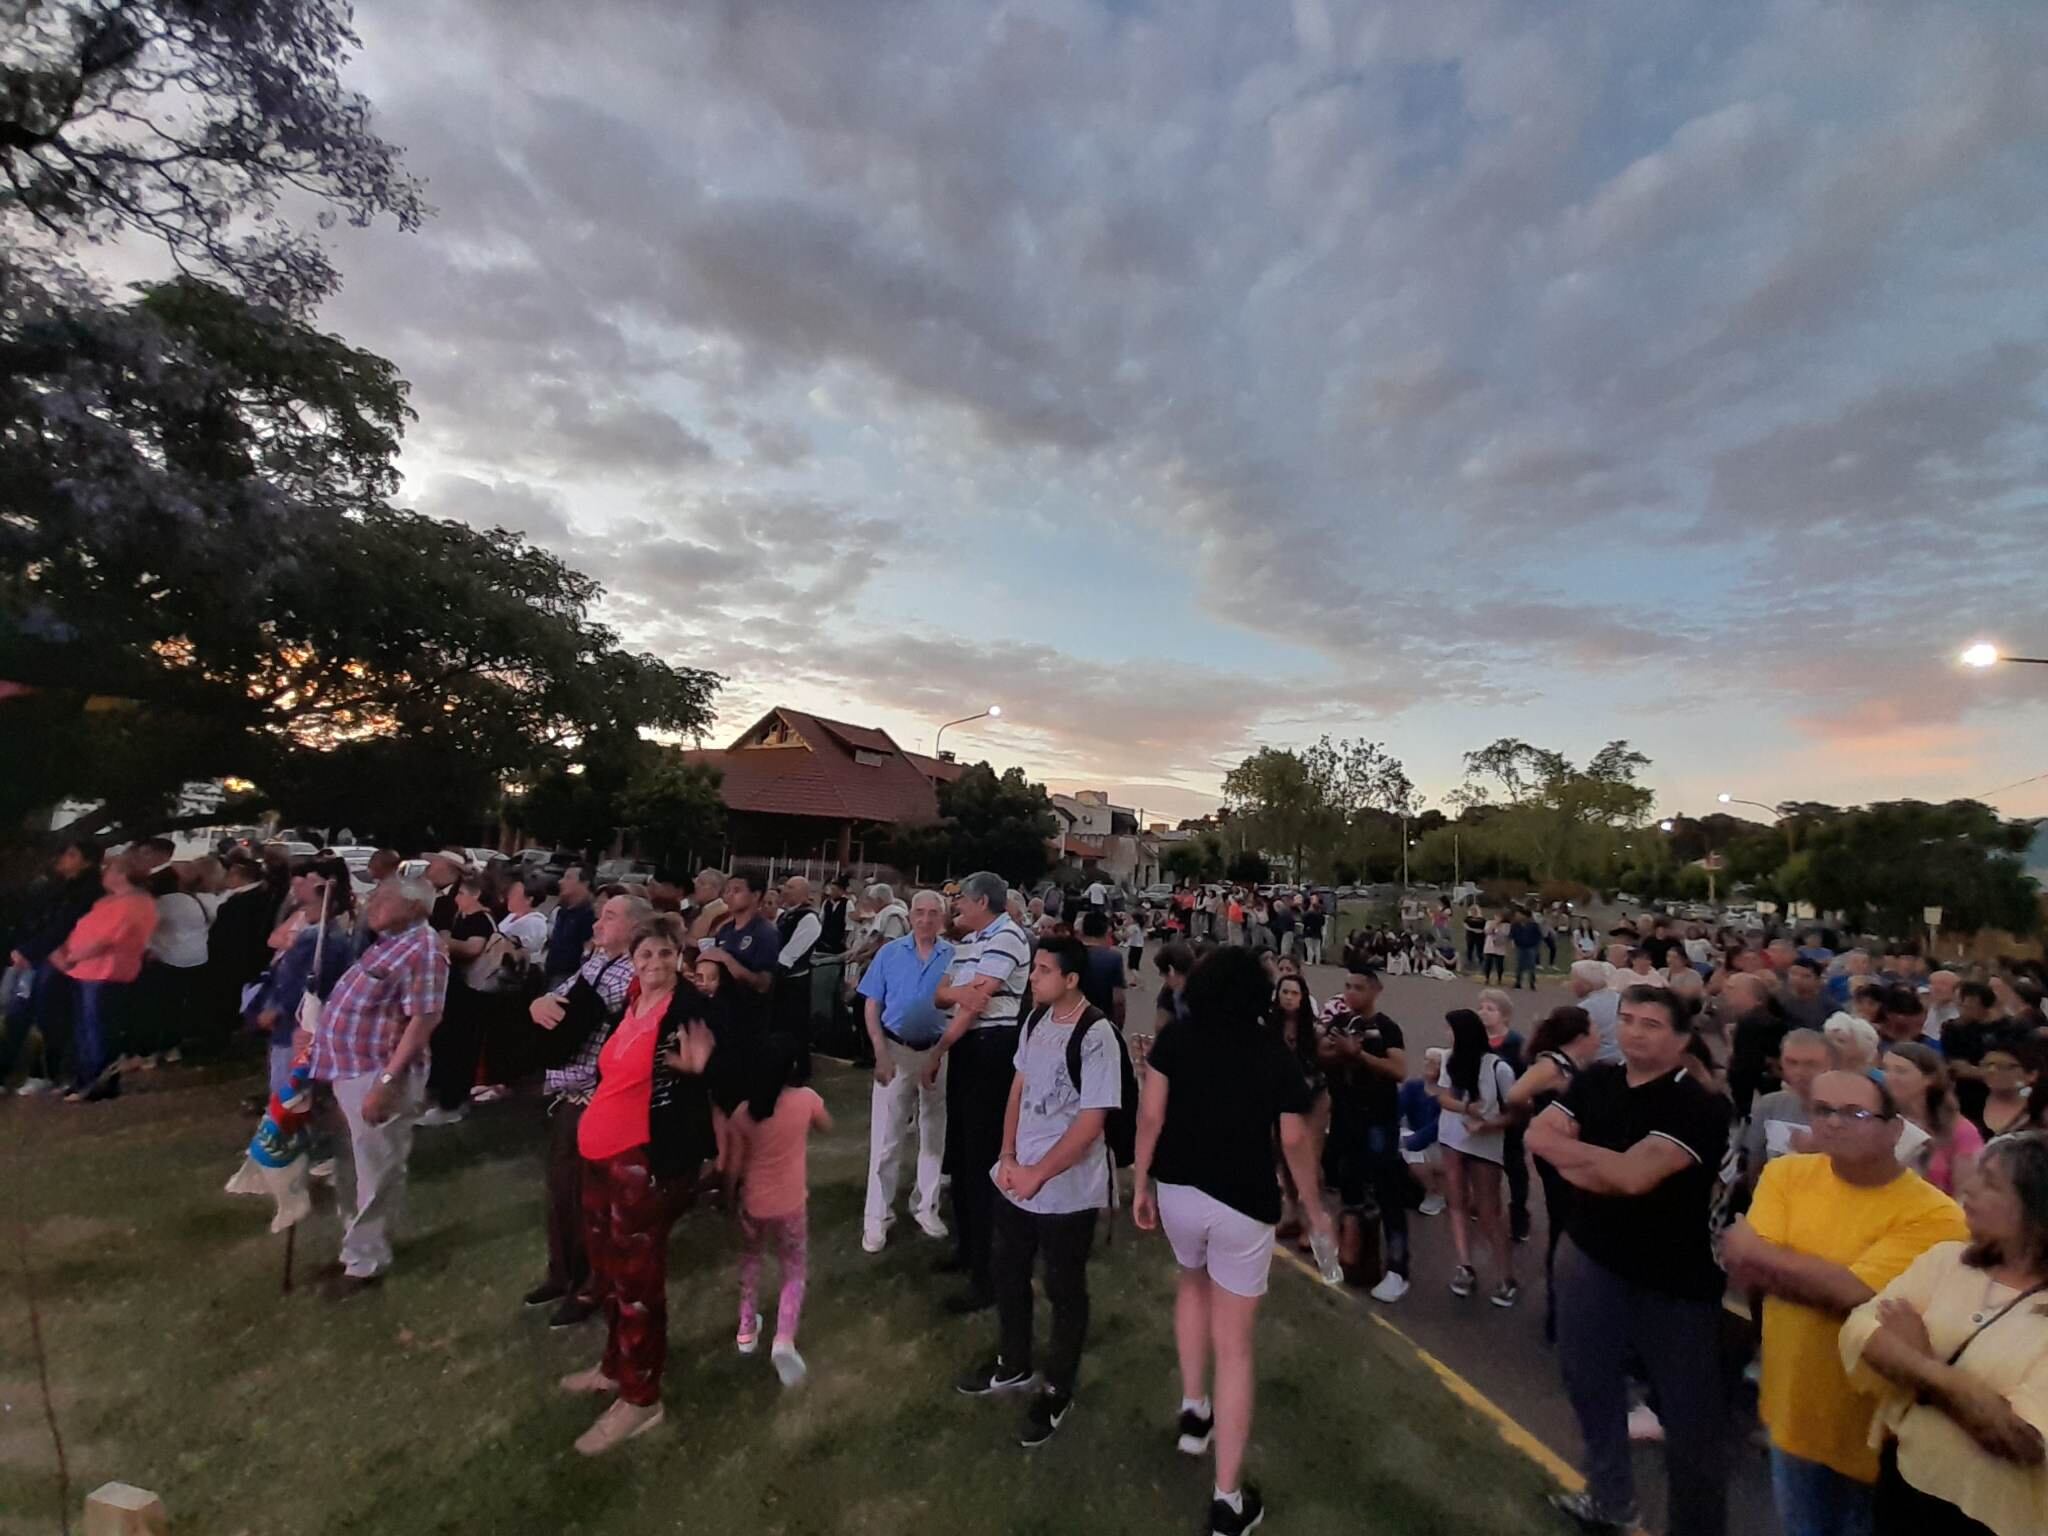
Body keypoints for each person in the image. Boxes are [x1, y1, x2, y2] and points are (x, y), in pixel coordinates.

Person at [1134, 945, 1332, 1536]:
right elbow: (1295, 1142)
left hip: (1178, 1191)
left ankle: (1195, 1413)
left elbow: (1151, 1116)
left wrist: (1142, 1178)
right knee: (1237, 1347)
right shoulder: (1274, 1055)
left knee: (1191, 1285)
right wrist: (1315, 1210)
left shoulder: (1176, 1039)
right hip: (1242, 1203)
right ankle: (1228, 1499)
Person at [1723, 1070, 1969, 1536]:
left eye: (1855, 1113)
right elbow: (1747, 1270)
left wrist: (1767, 1258)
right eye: (1823, 1110)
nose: (1834, 1123)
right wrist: (1823, 1282)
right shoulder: (1787, 1173)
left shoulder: (1935, 1215)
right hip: (1789, 1410)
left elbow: (1854, 1294)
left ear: (1896, 1129)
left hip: (1872, 1438)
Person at [1527, 984, 1734, 1536]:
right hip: (1590, 1255)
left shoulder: (1698, 1105)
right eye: (1628, 1020)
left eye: (1652, 1024)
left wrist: (1589, 1165)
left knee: (1689, 1421)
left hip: (1674, 1279)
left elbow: (1634, 1176)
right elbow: (1537, 1134)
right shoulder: (1596, 1080)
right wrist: (1605, 1166)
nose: (1635, 1032)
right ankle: (1611, 1502)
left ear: (1683, 1038)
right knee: (1589, 1383)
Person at [559, 915, 717, 1455]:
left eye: (665, 955)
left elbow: (731, 1060)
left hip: (643, 1165)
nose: (654, 965)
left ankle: (641, 1399)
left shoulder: (689, 1008)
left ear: (680, 957)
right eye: (645, 955)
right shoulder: (632, 1002)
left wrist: (702, 1070)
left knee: (638, 1286)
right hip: (599, 1158)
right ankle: (614, 1367)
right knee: (610, 1273)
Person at [955, 935, 1121, 1448]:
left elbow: (1091, 1121)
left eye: (1044, 970)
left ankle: (1057, 1386)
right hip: (1018, 1180)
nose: (1033, 978)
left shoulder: (1097, 1035)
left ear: (1071, 979)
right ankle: (1013, 1361)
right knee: (1008, 1269)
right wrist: (1007, 1157)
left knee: (1064, 1287)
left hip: (1067, 1191)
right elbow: (1018, 1090)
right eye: (1035, 969)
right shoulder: (1035, 1020)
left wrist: (1039, 1173)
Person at [1840, 1131, 2048, 1535]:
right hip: (1906, 1485)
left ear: (2036, 1210)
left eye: (1990, 1183)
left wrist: (1919, 1363)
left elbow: (2020, 1441)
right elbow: (1860, 1330)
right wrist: (1960, 1391)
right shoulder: (1947, 1261)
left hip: (1995, 1520)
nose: (1967, 1188)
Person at [305, 877, 449, 1294]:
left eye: (385, 898)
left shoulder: (424, 949)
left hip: (377, 1074)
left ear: (415, 908)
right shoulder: (388, 940)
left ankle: (367, 1262)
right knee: (352, 1166)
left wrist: (387, 1082)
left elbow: (425, 1018)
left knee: (378, 1170)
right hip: (348, 1070)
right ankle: (355, 1249)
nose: (373, 902)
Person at [521, 892, 645, 1328]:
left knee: (589, 1201)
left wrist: (546, 1010)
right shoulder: (595, 962)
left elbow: (570, 1019)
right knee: (560, 1192)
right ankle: (562, 1272)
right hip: (566, 1094)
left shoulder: (629, 973)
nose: (598, 923)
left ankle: (590, 1285)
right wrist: (538, 1004)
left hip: (594, 1097)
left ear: (634, 928)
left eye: (610, 917)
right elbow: (555, 1001)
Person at [926, 871, 1034, 1313]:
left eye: (962, 901)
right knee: (963, 1155)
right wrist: (960, 994)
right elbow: (943, 996)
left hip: (992, 1048)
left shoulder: (1007, 937)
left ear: (982, 901)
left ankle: (988, 1273)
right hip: (970, 1047)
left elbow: (977, 1000)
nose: (956, 908)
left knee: (983, 1158)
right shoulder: (968, 943)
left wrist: (940, 1047)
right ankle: (967, 1250)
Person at [727, 1036, 831, 1387]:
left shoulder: (743, 1114)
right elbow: (827, 1125)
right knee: (794, 1269)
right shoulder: (806, 1101)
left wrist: (730, 1197)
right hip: (791, 1205)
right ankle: (783, 1338)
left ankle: (746, 1331)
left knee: (751, 1260)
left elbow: (735, 1167)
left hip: (753, 1204)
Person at [856, 889, 954, 1252]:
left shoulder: (954, 956)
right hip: (896, 1049)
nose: (926, 919)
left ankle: (926, 1206)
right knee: (886, 1139)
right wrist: (880, 1051)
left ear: (942, 918)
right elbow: (871, 1004)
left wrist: (942, 1052)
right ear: (910, 915)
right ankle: (877, 1218)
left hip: (936, 1053)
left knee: (933, 1133)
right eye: (920, 912)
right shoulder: (890, 952)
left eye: (933, 913)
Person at [1506, 1005, 1602, 1342]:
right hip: (1557, 1158)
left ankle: (1564, 1309)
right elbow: (1516, 1094)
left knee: (1569, 1225)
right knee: (1565, 1226)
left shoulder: (1573, 1065)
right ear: (1579, 1037)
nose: (1599, 1038)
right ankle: (1558, 1312)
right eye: (1594, 1032)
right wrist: (1533, 1115)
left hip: (1569, 1155)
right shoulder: (1552, 1065)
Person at [1316, 965, 1411, 1303]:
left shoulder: (1386, 1029)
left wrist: (1361, 1055)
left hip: (1378, 1122)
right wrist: (1337, 1051)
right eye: (1347, 986)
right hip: (1345, 1119)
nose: (1350, 993)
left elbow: (1399, 1070)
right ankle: (1355, 1257)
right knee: (1349, 1188)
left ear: (1375, 990)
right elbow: (1321, 1055)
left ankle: (1399, 1269)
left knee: (1387, 1191)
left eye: (1358, 987)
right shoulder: (1339, 1024)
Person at [49, 848, 158, 1102]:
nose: (103, 874)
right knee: (84, 1027)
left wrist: (73, 956)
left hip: (105, 971)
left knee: (98, 1028)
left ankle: (98, 1081)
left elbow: (108, 939)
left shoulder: (136, 903)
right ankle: (81, 1077)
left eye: (108, 869)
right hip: (83, 971)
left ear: (122, 874)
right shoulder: (106, 901)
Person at [1, 837, 102, 1092]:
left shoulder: (87, 892)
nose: (63, 860)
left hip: (55, 960)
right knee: (18, 1015)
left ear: (87, 862)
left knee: (47, 1017)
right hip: (37, 956)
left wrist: (33, 949)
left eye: (72, 855)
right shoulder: (56, 887)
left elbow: (64, 927)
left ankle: (44, 1072)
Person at [1435, 1008, 1520, 1307]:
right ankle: (1465, 1266)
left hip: (1484, 1145)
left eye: (1451, 1030)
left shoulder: (1498, 1068)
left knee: (1488, 1212)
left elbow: (1517, 1112)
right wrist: (1465, 1109)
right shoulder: (1450, 1059)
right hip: (1451, 1137)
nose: (1447, 1036)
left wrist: (1487, 1124)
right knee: (1455, 1202)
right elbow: (1443, 1096)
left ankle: (1506, 1275)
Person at [256, 859, 354, 1100]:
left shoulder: (322, 939)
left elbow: (304, 982)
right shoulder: (320, 933)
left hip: (296, 1022)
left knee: (288, 1082)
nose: (299, 891)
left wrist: (276, 1008)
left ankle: (289, 1129)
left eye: (307, 885)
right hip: (297, 1020)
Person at [420, 875, 499, 1126]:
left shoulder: (481, 920)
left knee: (461, 1048)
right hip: (455, 992)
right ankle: (443, 1095)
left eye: (462, 893)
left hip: (472, 995)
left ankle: (453, 1103)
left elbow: (473, 949)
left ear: (476, 894)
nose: (457, 899)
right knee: (446, 1044)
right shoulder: (460, 918)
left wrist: (444, 939)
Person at [1266, 974, 1328, 1241]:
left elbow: (1321, 1063)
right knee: (1282, 1155)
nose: (1289, 997)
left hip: (1312, 1097)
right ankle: (1291, 1212)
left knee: (1309, 1160)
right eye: (1285, 992)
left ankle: (1312, 1221)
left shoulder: (1313, 1030)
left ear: (1303, 998)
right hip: (1280, 1099)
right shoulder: (1269, 1027)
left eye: (1294, 993)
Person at [1886, 1042, 1984, 1198]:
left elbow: (1965, 1194)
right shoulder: (1884, 1121)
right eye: (1886, 1069)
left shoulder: (1960, 1131)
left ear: (1929, 1079)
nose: (1890, 1078)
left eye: (1901, 1071)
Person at [1745, 1029, 1834, 1189]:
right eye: (1791, 1062)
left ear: (1829, 1064)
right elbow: (1755, 1165)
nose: (1800, 1072)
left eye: (1811, 1064)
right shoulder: (1769, 1105)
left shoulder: (1847, 1112)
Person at [703, 872, 781, 1036]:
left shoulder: (765, 933)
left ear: (755, 895)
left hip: (748, 1020)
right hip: (722, 1014)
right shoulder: (725, 930)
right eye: (727, 891)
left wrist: (727, 959)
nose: (729, 896)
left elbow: (763, 984)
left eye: (736, 890)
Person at [1974, 1039, 2044, 1143]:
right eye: (1988, 1065)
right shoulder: (1968, 1103)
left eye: (2007, 1066)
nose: (1992, 1071)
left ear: (2031, 1075)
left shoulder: (2040, 1111)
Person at [544, 865, 597, 985]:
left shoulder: (590, 915)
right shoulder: (563, 911)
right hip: (551, 972)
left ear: (585, 884)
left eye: (568, 878)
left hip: (569, 977)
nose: (561, 882)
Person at [1076, 910, 1127, 1027]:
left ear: (1083, 931)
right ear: (1107, 931)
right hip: (1101, 1020)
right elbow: (1118, 1000)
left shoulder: (1069, 954)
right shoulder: (1113, 958)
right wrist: (1117, 1026)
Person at [682, 867, 729, 945]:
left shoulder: (724, 915)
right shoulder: (691, 910)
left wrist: (708, 914)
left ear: (716, 890)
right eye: (696, 880)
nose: (695, 885)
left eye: (701, 883)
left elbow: (696, 940)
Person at [1510, 907, 1543, 991]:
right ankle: (1518, 983)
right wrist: (1513, 942)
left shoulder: (1533, 925)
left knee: (1531, 965)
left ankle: (1532, 983)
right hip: (1520, 947)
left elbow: (1538, 936)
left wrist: (1535, 945)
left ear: (1524, 915)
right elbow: (1512, 935)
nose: (1517, 916)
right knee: (1519, 965)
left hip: (1531, 947)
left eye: (1519, 914)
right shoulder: (1515, 925)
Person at [1481, 910, 1509, 984]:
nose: (1498, 918)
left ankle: (1499, 978)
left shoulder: (1506, 925)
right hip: (1490, 946)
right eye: (1496, 916)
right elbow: (1487, 931)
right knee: (1488, 963)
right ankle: (1487, 978)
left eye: (1500, 917)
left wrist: (1499, 928)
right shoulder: (1489, 922)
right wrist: (1493, 926)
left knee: (1499, 964)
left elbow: (1505, 934)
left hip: (1500, 946)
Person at [1122, 912, 1147, 978]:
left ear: (1135, 919)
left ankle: (1138, 981)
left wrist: (1125, 927)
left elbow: (1125, 936)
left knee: (1131, 967)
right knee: (1135, 967)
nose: (1130, 919)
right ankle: (1135, 981)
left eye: (1131, 918)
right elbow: (1145, 935)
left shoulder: (1133, 927)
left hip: (1134, 948)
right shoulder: (1140, 926)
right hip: (1140, 948)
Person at [1463, 902, 1486, 969]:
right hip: (1470, 936)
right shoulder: (1468, 918)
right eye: (1472, 910)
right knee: (1470, 949)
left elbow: (1485, 927)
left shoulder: (1482, 919)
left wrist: (1481, 931)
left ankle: (1481, 963)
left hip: (1480, 937)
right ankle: (1469, 963)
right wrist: (1474, 930)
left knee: (1479, 950)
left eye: (1475, 910)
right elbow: (1465, 926)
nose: (1473, 912)